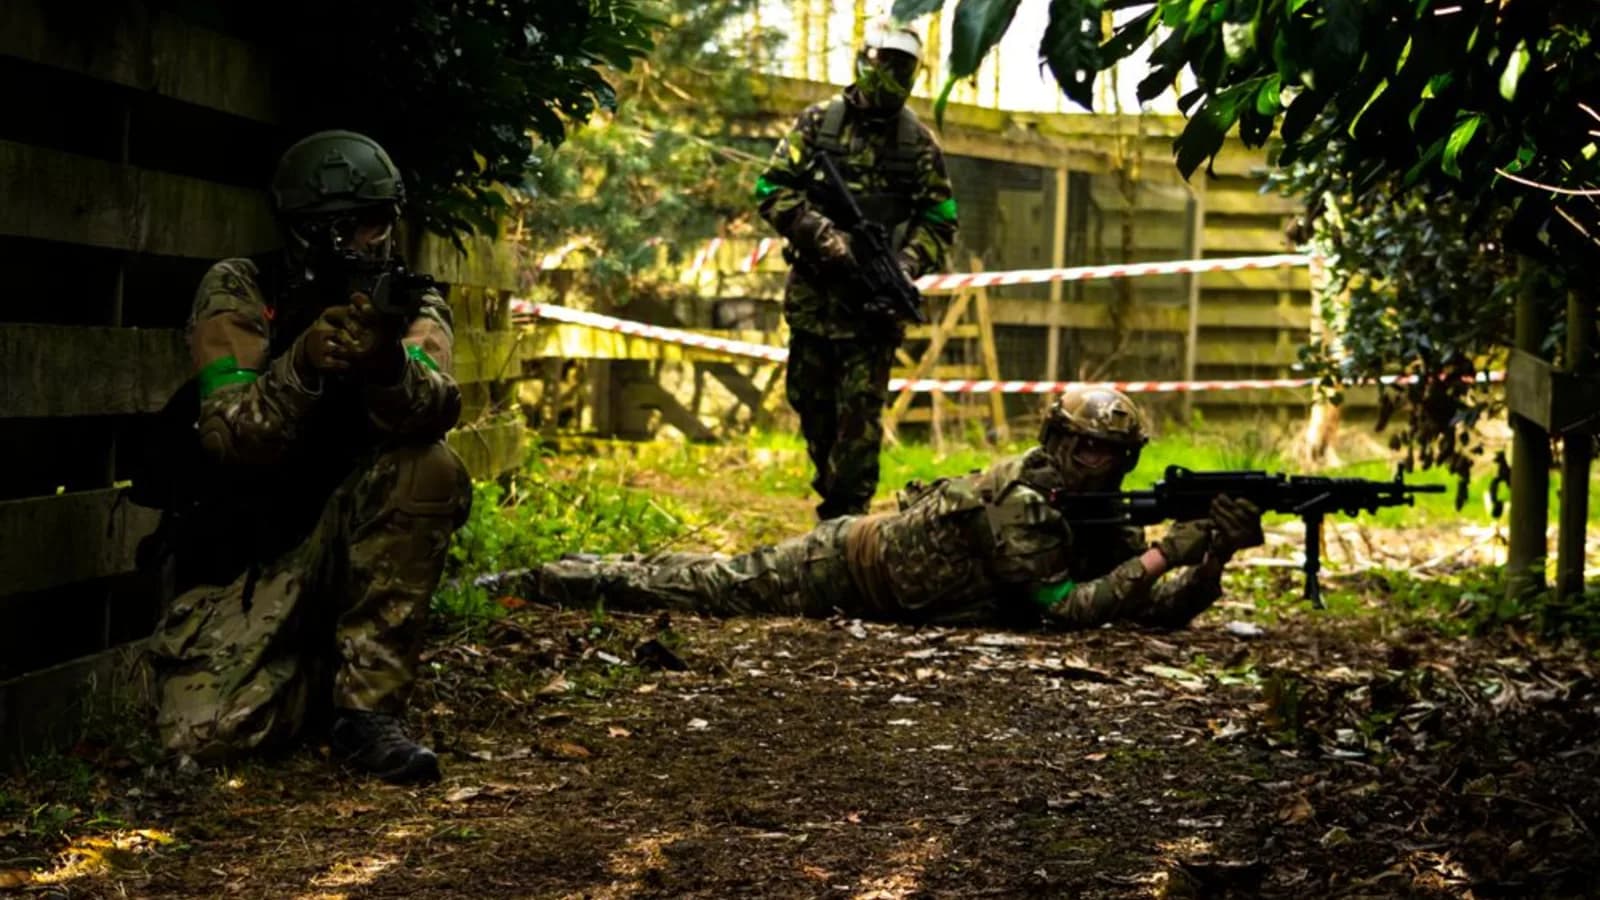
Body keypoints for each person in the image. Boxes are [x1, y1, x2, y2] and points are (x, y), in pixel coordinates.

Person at [141, 130, 471, 784]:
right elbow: (228, 438)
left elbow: (436, 408)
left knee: (427, 467)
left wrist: (385, 365)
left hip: (347, 543)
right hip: (249, 561)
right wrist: (303, 365)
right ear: (307, 232)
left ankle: (367, 710)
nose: (371, 242)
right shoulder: (240, 289)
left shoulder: (407, 302)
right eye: (352, 228)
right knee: (201, 736)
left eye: (379, 223)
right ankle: (316, 677)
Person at [510, 388, 1264, 631]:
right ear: (1056, 438)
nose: (1092, 459)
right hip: (844, 566)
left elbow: (1147, 610)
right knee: (701, 587)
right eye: (1080, 443)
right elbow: (1067, 611)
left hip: (874, 576)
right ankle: (555, 578)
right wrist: (1171, 548)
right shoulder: (1022, 501)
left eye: (1108, 451)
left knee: (699, 576)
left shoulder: (1091, 510)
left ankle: (583, 572)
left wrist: (1214, 552)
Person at [754, 17, 958, 521]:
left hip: (872, 307)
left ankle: (846, 519)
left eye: (903, 67)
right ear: (867, 61)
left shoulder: (917, 144)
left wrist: (905, 263)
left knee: (860, 423)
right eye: (885, 63)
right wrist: (822, 236)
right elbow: (771, 190)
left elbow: (941, 219)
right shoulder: (819, 123)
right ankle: (833, 492)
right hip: (814, 295)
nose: (891, 75)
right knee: (809, 403)